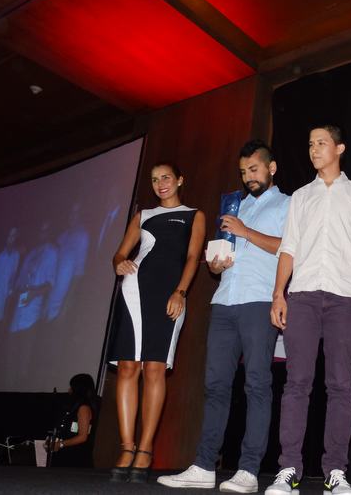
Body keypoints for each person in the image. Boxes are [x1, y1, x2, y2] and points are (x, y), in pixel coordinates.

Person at [157, 140, 290, 491]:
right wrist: (215, 263)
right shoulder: (233, 205)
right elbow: (221, 258)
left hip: (259, 300)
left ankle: (248, 471)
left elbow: (288, 248)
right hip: (224, 300)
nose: (248, 177)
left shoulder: (288, 204)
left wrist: (246, 232)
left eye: (254, 169)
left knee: (257, 385)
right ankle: (204, 466)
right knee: (215, 385)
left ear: (272, 168)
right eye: (243, 172)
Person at [266, 125, 351, 495]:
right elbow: (289, 248)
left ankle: (335, 473)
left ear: (339, 148)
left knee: (341, 385)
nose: (314, 149)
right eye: (310, 144)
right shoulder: (300, 196)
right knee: (296, 383)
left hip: (345, 296)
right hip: (303, 297)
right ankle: (288, 470)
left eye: (321, 143)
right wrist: (278, 294)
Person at [107, 162, 205, 483]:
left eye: (166, 177)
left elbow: (192, 257)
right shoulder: (143, 215)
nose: (160, 183)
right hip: (134, 291)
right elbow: (119, 254)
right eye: (154, 179)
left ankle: (146, 449)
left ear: (180, 180)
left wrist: (181, 291)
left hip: (169, 295)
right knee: (127, 367)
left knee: (154, 368)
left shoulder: (194, 215)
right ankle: (127, 447)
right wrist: (120, 264)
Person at [10, 221, 58, 332]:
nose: (43, 233)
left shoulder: (52, 252)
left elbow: (50, 284)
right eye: (41, 230)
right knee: (14, 334)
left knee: (24, 338)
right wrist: (15, 292)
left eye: (46, 230)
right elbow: (20, 279)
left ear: (50, 233)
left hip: (32, 314)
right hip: (19, 307)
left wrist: (33, 293)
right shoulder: (32, 253)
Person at [47, 373, 99, 467]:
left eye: (71, 387)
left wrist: (61, 444)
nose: (69, 390)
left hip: (76, 458)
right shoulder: (73, 407)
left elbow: (83, 437)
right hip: (67, 455)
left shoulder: (84, 408)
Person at [0, 226, 20, 322]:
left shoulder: (16, 255)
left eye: (14, 235)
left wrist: (7, 306)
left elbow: (12, 280)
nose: (11, 238)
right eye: (9, 235)